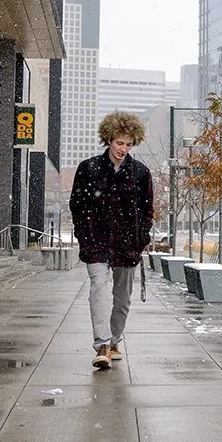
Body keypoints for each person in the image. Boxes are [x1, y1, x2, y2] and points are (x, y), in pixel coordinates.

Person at [69, 111, 154, 370]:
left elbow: (147, 210)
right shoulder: (89, 168)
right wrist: (84, 235)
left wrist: (140, 239)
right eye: (119, 142)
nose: (123, 149)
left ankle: (115, 341)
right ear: (109, 139)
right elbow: (77, 205)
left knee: (123, 298)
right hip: (96, 242)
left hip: (127, 245)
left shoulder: (140, 173)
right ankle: (102, 344)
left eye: (128, 144)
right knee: (99, 288)